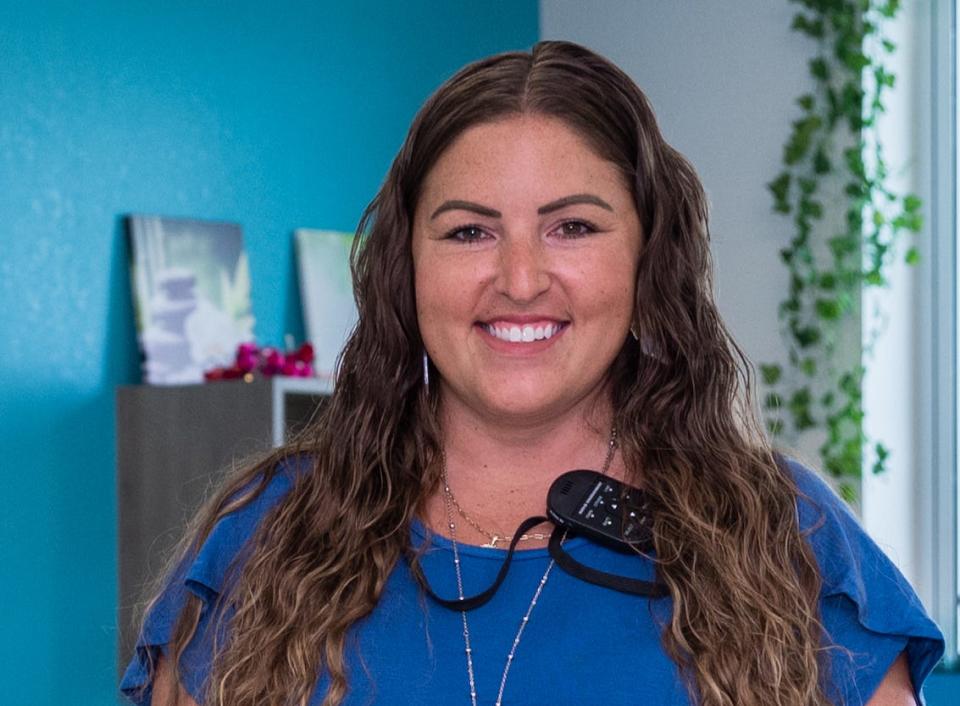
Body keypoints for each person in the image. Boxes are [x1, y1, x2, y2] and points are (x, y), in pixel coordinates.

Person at [121, 40, 944, 706]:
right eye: (469, 233)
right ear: (405, 268)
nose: (519, 279)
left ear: (649, 259)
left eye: (573, 227)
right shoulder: (264, 538)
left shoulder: (789, 539)